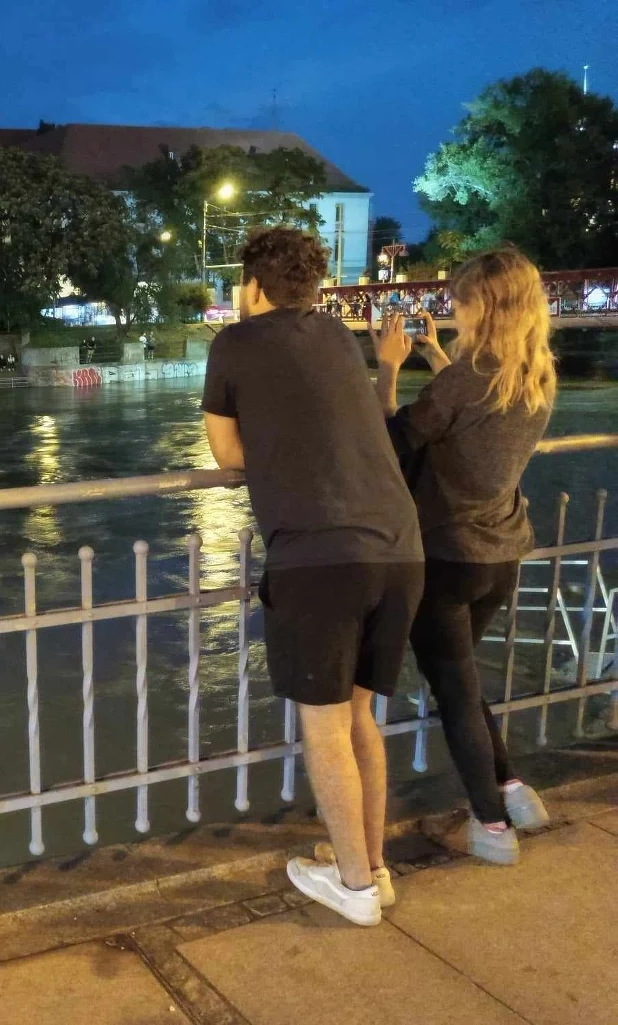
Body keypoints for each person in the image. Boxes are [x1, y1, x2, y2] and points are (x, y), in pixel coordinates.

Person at [203, 227, 423, 928]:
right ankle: (373, 867)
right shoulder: (336, 337)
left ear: (253, 285)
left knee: (323, 725)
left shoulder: (233, 343)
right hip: (398, 546)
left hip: (319, 556)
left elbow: (228, 456)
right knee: (360, 716)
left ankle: (354, 888)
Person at [373, 248, 555, 865]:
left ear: (488, 304)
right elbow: (476, 416)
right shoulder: (533, 371)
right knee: (460, 678)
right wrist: (436, 356)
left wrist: (389, 369)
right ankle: (515, 791)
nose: (454, 306)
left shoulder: (466, 377)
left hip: (448, 556)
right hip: (500, 555)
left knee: (453, 689)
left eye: (462, 298)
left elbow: (390, 443)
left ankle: (492, 826)